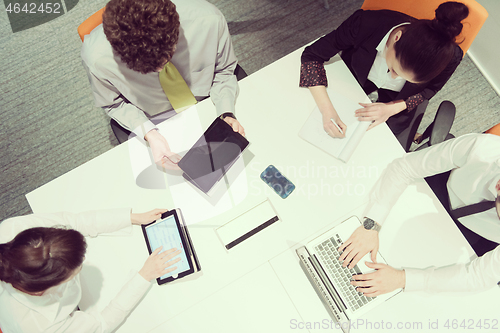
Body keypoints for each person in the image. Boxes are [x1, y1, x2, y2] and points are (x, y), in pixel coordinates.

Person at [81, 0, 244, 169]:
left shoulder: (209, 21)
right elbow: (114, 104)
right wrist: (150, 134)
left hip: (211, 104)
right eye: (148, 68)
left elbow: (224, 70)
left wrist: (227, 112)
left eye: (168, 55)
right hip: (156, 122)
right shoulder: (97, 60)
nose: (160, 67)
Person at [336, 133, 500, 296]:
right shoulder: (482, 148)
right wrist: (371, 224)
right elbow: (405, 167)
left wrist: (402, 279)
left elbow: (480, 276)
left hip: (475, 240)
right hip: (439, 192)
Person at [300, 1, 469, 138]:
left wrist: (393, 108)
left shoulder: (450, 57)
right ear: (396, 38)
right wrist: (326, 109)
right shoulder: (366, 24)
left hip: (395, 105)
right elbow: (312, 55)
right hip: (351, 83)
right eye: (394, 69)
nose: (394, 78)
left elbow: (430, 89)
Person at [0, 208, 182, 332]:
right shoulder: (43, 326)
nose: (84, 260)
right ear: (47, 288)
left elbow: (72, 221)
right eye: (76, 268)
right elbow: (101, 325)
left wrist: (132, 217)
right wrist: (144, 277)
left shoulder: (12, 229)